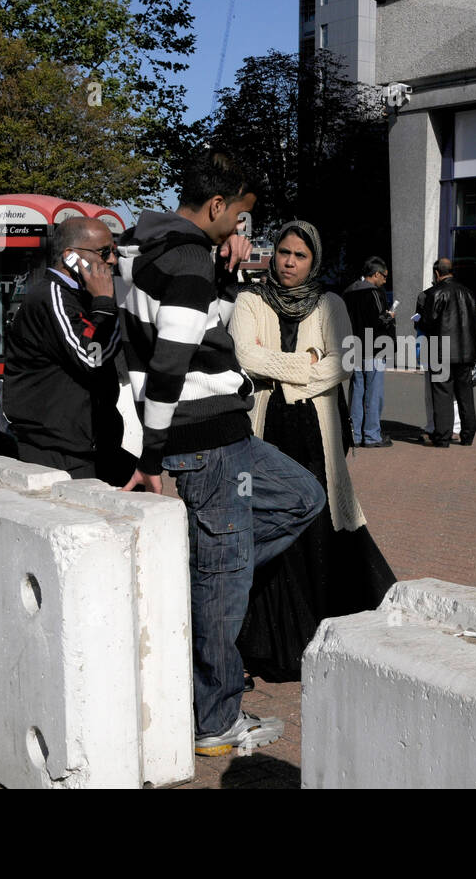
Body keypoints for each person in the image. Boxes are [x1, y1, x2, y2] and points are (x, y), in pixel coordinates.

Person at [117, 151, 326, 757]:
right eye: (238, 219)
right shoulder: (183, 258)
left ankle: (209, 572)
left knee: (302, 497)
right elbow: (168, 363)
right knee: (226, 580)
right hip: (206, 441)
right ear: (215, 206)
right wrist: (151, 458)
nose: (241, 232)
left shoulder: (150, 247)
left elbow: (209, 329)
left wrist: (228, 275)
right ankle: (216, 722)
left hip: (224, 435)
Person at [229, 222, 396, 681]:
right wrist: (302, 364)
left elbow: (343, 361)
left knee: (322, 524)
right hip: (267, 429)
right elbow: (243, 354)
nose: (288, 262)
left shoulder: (331, 303)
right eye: (283, 252)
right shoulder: (249, 301)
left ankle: (324, 632)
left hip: (318, 432)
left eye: (299, 255)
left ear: (313, 260)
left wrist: (282, 370)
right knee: (272, 523)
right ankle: (275, 645)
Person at [4, 217, 130, 482]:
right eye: (104, 252)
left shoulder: (83, 297)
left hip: (91, 445)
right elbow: (90, 357)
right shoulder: (52, 296)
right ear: (71, 257)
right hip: (58, 452)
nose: (112, 261)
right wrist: (105, 304)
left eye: (114, 251)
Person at [424, 258, 476, 447]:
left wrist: (418, 321)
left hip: (442, 352)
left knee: (442, 395)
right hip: (465, 352)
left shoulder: (436, 293)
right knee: (465, 394)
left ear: (437, 273)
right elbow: (474, 326)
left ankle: (443, 436)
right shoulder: (469, 293)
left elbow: (427, 322)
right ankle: (468, 434)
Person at [342, 257, 395, 448]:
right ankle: (372, 434)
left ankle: (355, 434)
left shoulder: (348, 292)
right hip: (373, 348)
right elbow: (378, 320)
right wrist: (389, 317)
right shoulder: (374, 293)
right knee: (373, 393)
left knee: (356, 390)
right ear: (376, 274)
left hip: (353, 347)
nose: (385, 280)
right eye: (385, 276)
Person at [415, 283, 458, 444]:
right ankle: (455, 428)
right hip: (454, 349)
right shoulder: (462, 293)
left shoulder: (426, 296)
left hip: (433, 348)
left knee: (432, 392)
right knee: (453, 391)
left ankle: (434, 426)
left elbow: (420, 324)